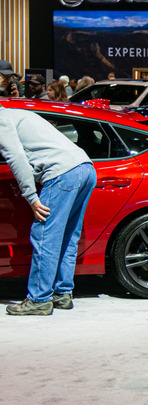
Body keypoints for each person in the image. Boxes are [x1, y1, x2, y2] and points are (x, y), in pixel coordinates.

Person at [0, 104, 97, 315]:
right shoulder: (18, 113)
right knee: (68, 236)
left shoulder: (1, 121)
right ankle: (62, 293)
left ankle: (38, 299)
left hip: (61, 173)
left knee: (45, 236)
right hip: (86, 167)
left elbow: (16, 158)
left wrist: (31, 197)